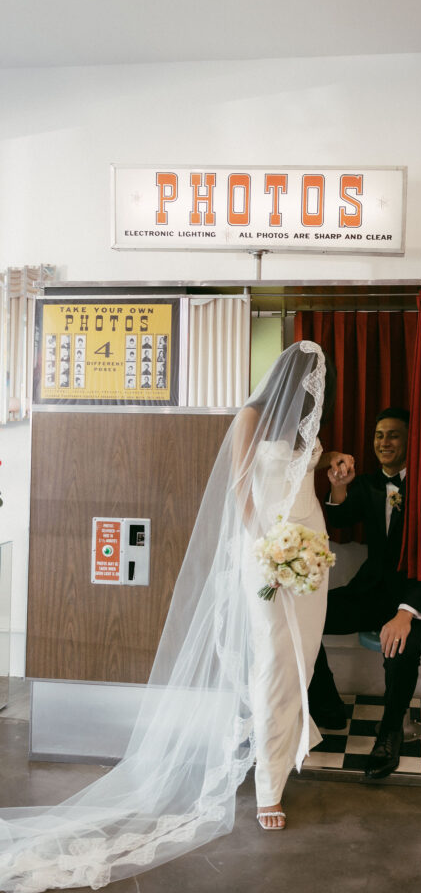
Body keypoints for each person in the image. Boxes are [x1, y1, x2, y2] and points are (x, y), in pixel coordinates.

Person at [0, 341, 351, 889]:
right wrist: (269, 550)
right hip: (266, 555)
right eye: (311, 376)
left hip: (311, 560)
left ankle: (280, 744)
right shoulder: (251, 418)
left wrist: (329, 491)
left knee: (298, 664)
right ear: (291, 375)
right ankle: (269, 787)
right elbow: (242, 493)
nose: (314, 387)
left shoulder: (309, 432)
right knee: (271, 667)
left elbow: (304, 493)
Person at [308, 407, 421, 780]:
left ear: (410, 441)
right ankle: (328, 707)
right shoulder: (369, 483)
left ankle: (389, 735)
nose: (384, 443)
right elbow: (338, 519)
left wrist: (405, 613)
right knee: (305, 616)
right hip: (370, 594)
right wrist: (339, 485)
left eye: (394, 435)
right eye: (379, 435)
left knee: (399, 650)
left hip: (418, 600)